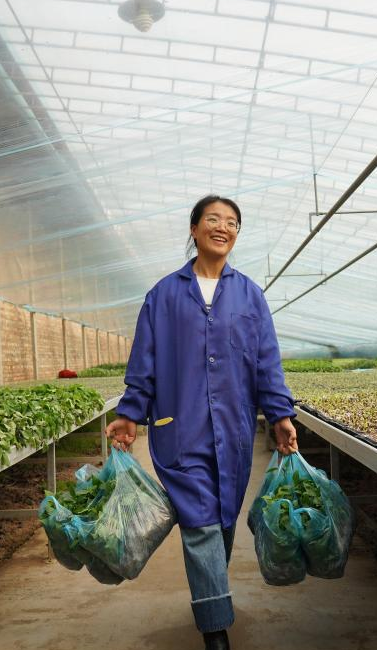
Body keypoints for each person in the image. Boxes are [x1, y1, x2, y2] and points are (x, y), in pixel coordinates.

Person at [107, 195, 298, 650]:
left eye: (232, 222)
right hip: (180, 426)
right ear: (193, 229)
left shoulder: (249, 295)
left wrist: (280, 415)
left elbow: (267, 361)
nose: (223, 227)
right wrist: (131, 412)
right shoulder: (163, 295)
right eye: (213, 219)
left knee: (224, 518)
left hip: (233, 429)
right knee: (200, 523)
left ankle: (212, 593)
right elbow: (144, 361)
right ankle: (215, 631)